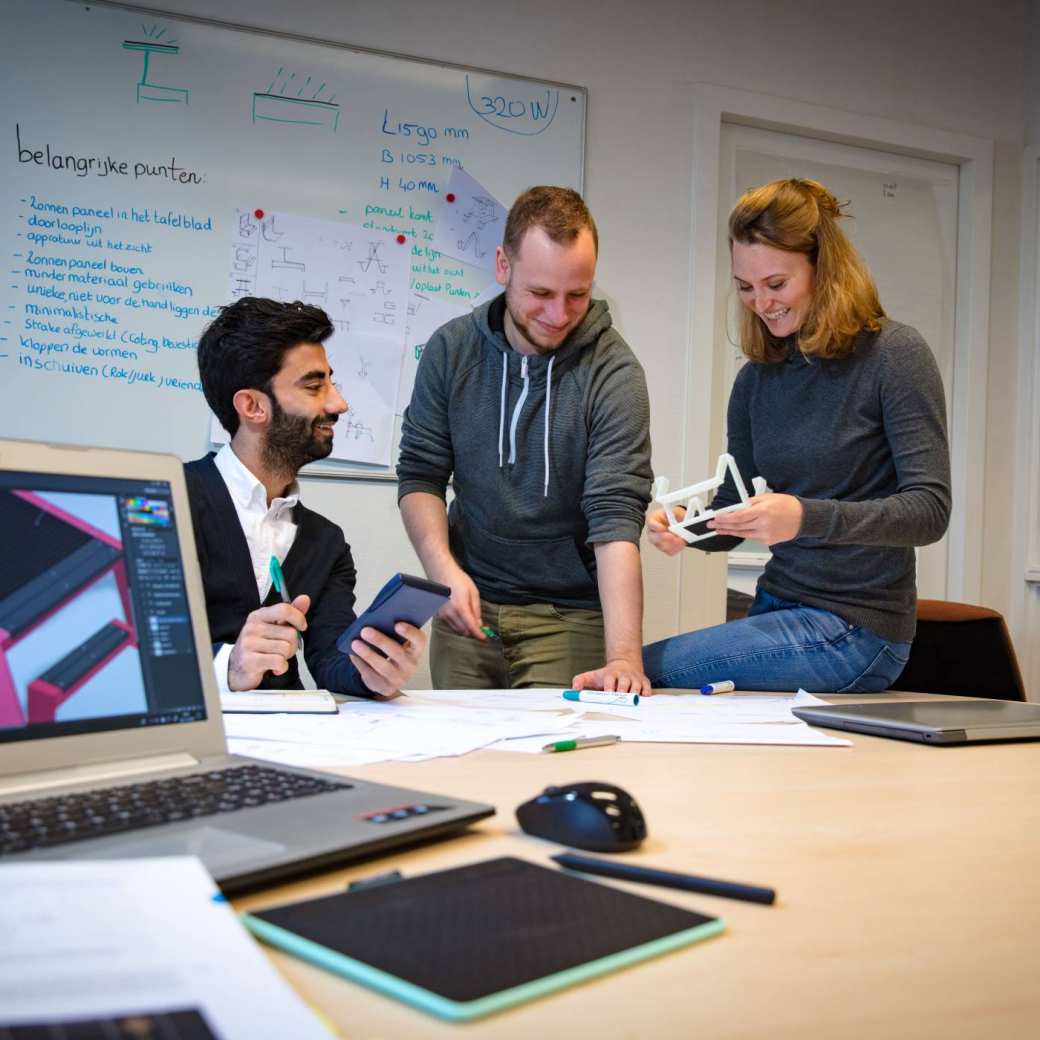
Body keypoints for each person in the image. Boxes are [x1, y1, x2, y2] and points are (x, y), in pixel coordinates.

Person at [643, 178, 951, 693]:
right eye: (745, 287)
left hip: (857, 630)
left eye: (776, 284)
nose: (761, 302)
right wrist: (688, 528)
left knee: (642, 671)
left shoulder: (894, 356)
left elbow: (929, 510)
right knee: (633, 673)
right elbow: (733, 509)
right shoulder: (755, 380)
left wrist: (804, 517)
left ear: (822, 269)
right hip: (778, 608)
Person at [397, 186, 653, 693]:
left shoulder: (615, 374)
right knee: (462, 766)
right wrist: (442, 570)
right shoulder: (451, 350)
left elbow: (616, 519)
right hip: (467, 610)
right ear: (502, 265)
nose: (559, 315)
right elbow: (420, 475)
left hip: (569, 618)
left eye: (577, 294)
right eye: (540, 294)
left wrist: (625, 658)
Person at [187, 296, 426, 696]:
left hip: (292, 741)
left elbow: (330, 658)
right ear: (252, 406)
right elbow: (130, 652)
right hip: (191, 742)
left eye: (331, 383)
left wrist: (372, 671)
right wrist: (228, 665)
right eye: (315, 385)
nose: (339, 403)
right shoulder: (165, 503)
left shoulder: (325, 541)